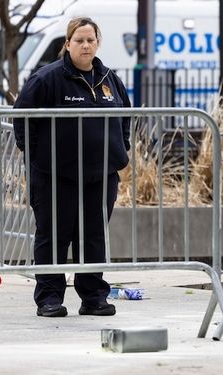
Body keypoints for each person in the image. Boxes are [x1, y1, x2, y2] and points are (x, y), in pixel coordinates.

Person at [13, 17, 131, 318]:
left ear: (97, 43)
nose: (86, 45)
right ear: (68, 44)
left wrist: (121, 148)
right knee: (54, 235)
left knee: (93, 236)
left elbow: (126, 116)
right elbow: (22, 118)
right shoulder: (47, 78)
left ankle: (93, 297)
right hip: (55, 175)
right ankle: (50, 298)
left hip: (100, 174)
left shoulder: (109, 80)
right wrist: (37, 158)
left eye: (91, 39)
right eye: (79, 40)